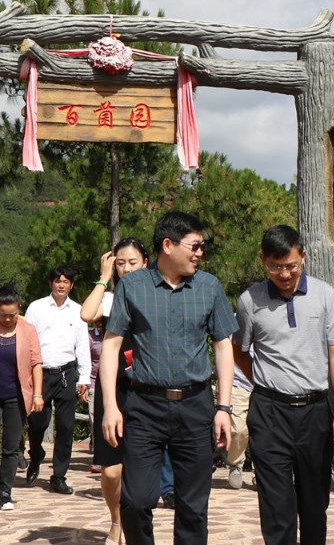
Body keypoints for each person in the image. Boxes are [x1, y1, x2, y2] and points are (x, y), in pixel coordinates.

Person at [100, 211, 237, 545]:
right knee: (136, 501)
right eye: (195, 246)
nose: (200, 252)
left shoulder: (209, 286)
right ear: (167, 245)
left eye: (202, 246)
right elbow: (111, 346)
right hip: (144, 407)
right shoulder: (132, 286)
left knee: (193, 507)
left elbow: (223, 347)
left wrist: (224, 407)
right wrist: (111, 407)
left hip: (195, 407)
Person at [232, 225, 334, 545]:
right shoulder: (249, 301)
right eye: (275, 266)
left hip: (315, 412)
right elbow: (239, 351)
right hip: (269, 413)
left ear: (304, 257)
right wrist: (262, 381)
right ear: (263, 260)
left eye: (291, 265)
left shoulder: (324, 295)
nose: (284, 274)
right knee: (276, 507)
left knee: (314, 504)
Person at [80, 237, 151, 545]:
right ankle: (116, 520)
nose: (127, 268)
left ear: (146, 263)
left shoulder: (155, 295)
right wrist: (104, 277)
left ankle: (135, 525)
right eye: (120, 263)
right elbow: (86, 314)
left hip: (146, 388)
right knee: (110, 471)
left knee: (138, 468)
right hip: (113, 388)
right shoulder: (110, 299)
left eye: (133, 262)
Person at [26, 264, 93, 493]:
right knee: (37, 423)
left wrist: (84, 377)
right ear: (50, 283)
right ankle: (36, 454)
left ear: (71, 285)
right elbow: (27, 340)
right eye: (57, 281)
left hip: (67, 373)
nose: (61, 285)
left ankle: (59, 475)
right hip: (41, 373)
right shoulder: (36, 308)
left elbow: (82, 345)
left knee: (66, 426)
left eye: (65, 281)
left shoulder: (78, 310)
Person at [0, 286, 44, 512]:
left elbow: (36, 362)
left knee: (11, 446)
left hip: (16, 397)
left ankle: (5, 491)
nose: (7, 319)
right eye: (3, 314)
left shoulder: (28, 330)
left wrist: (37, 393)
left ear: (19, 310)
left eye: (12, 315)